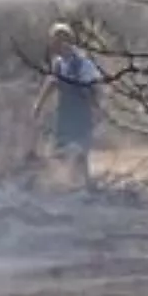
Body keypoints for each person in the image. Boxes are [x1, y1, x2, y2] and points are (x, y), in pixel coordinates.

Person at [31, 22, 104, 189]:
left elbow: (94, 87)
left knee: (79, 149)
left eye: (55, 40)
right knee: (64, 148)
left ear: (64, 41)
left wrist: (97, 109)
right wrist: (39, 104)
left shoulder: (83, 63)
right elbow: (52, 83)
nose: (52, 44)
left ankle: (84, 184)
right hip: (65, 111)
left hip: (80, 111)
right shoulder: (58, 62)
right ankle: (73, 182)